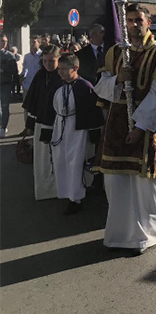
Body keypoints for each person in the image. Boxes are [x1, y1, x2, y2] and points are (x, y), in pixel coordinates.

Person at [94, 4, 156, 255]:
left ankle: (147, 234)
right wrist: (118, 79)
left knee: (145, 186)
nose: (134, 24)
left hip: (146, 131)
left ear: (148, 21)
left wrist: (140, 128)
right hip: (116, 126)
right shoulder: (114, 53)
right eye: (130, 20)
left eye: (138, 19)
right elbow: (100, 88)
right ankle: (120, 235)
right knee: (116, 183)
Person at [38, 54, 104, 215]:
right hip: (60, 127)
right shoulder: (56, 86)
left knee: (75, 163)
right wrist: (47, 131)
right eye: (59, 69)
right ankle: (65, 192)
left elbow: (93, 112)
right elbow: (49, 108)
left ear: (75, 68)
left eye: (63, 69)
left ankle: (76, 197)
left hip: (77, 130)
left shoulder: (85, 87)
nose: (59, 72)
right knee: (61, 161)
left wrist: (94, 133)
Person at [22, 44, 63, 200]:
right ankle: (46, 190)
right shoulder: (40, 75)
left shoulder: (63, 75)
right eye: (45, 61)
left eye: (51, 61)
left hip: (60, 125)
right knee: (43, 159)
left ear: (59, 59)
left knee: (58, 159)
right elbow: (33, 100)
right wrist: (30, 125)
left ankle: (61, 189)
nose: (48, 65)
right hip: (42, 123)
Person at [0, 35, 18, 138]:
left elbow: (14, 71)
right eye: (2, 41)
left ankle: (3, 127)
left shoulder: (10, 56)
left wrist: (4, 69)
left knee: (5, 106)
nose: (4, 43)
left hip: (5, 84)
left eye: (5, 41)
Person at [22, 36, 42, 101]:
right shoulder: (27, 56)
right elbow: (24, 69)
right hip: (27, 85)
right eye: (30, 42)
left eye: (34, 42)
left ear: (39, 43)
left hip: (38, 85)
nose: (32, 44)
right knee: (26, 107)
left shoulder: (42, 56)